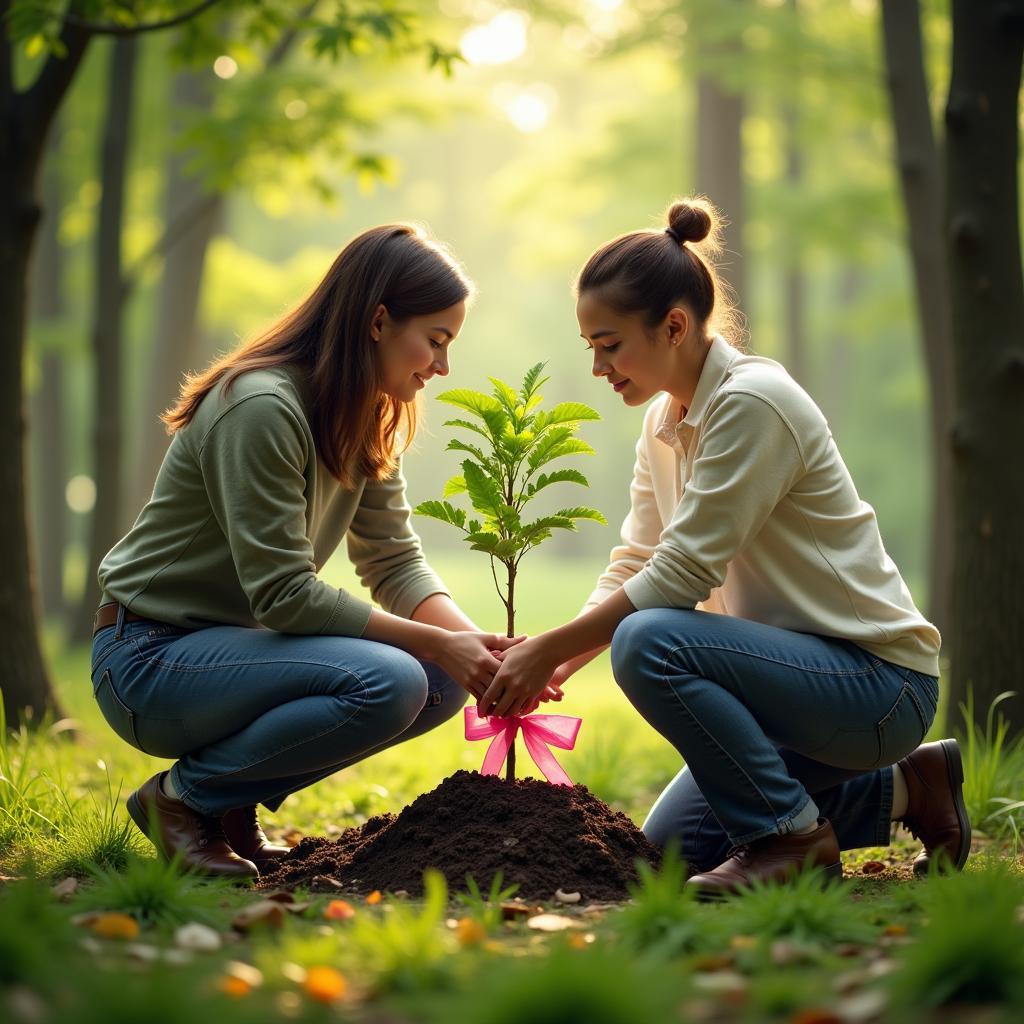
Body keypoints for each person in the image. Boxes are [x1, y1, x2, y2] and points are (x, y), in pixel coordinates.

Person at [478, 198, 970, 897]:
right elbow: (638, 558)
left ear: (673, 326)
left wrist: (549, 648)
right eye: (590, 346)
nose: (597, 366)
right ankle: (910, 789)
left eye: (609, 344)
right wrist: (555, 663)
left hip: (875, 685)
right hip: (785, 687)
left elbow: (681, 575)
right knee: (673, 850)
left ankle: (793, 839)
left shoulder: (752, 402)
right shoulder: (662, 421)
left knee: (649, 642)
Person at [91, 224, 522, 879]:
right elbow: (284, 594)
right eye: (435, 341)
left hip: (239, 656)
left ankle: (227, 807)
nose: (442, 367)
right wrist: (436, 645)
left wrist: (477, 653)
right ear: (379, 321)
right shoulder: (260, 407)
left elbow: (393, 561)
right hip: (148, 658)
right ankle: (181, 802)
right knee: (400, 675)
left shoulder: (367, 416)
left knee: (440, 682)